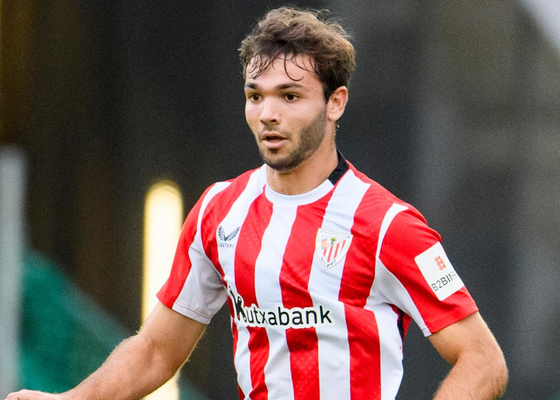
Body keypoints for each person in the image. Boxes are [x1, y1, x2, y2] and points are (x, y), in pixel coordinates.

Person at [5, 6, 508, 400]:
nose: (268, 113)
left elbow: (483, 361)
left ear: (335, 103)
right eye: (255, 95)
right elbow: (156, 350)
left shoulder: (387, 224)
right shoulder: (219, 211)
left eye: (289, 96)